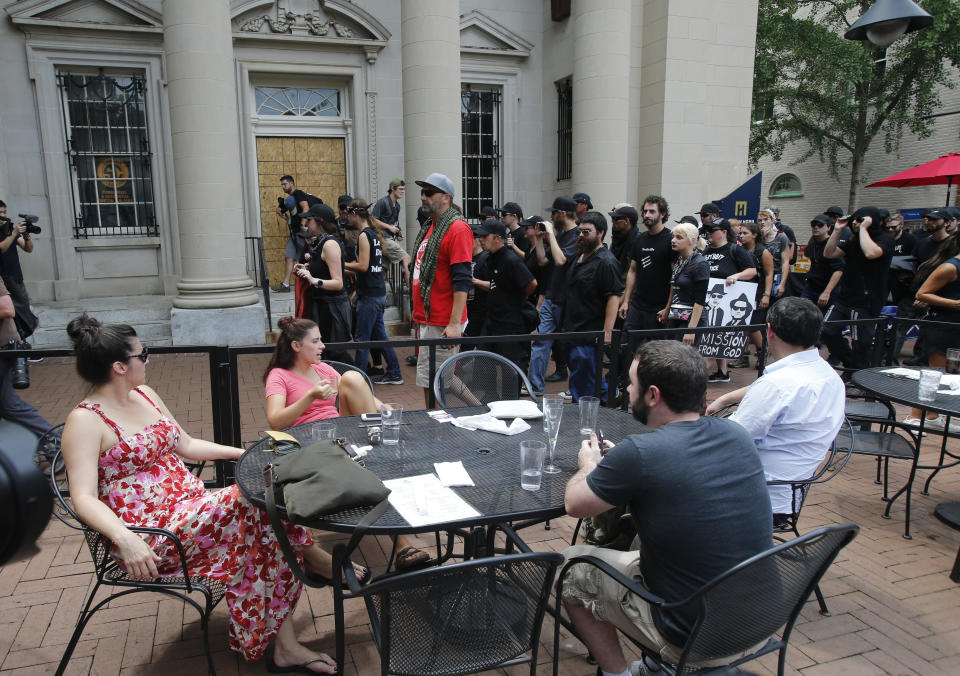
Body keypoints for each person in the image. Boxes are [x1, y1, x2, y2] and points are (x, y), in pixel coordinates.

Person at [61, 313, 367, 673]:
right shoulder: (85, 420)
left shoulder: (144, 394)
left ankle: (286, 642)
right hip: (152, 533)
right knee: (255, 500)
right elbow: (83, 497)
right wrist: (124, 538)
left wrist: (246, 452)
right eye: (142, 355)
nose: (148, 360)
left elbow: (187, 445)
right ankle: (310, 557)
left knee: (265, 525)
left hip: (192, 509)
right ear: (118, 366)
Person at [561, 340, 772, 676]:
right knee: (636, 543)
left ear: (653, 395)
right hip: (761, 621)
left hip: (696, 637)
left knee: (571, 567)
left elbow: (575, 504)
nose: (628, 390)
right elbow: (677, 471)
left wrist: (589, 465)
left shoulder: (642, 453)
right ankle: (654, 665)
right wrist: (624, 466)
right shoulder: (736, 435)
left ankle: (619, 674)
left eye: (632, 383)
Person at [263, 317, 430, 570]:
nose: (322, 346)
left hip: (339, 435)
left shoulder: (323, 370)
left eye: (321, 340)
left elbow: (356, 391)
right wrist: (310, 396)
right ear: (296, 346)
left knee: (351, 377)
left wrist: (384, 409)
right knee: (365, 470)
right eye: (316, 341)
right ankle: (401, 544)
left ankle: (400, 539)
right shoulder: (279, 376)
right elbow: (275, 421)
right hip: (305, 445)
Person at [707, 298, 845, 522]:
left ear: (769, 330)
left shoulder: (778, 385)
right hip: (792, 491)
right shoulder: (828, 375)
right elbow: (782, 390)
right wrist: (725, 399)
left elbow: (728, 440)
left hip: (756, 496)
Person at [410, 173, 474, 406]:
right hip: (429, 318)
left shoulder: (456, 228)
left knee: (435, 381)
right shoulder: (432, 226)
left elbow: (462, 279)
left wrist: (455, 323)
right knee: (433, 378)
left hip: (443, 320)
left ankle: (436, 426)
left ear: (446, 197)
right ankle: (475, 406)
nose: (423, 197)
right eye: (422, 193)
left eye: (429, 193)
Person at [559, 212, 623, 402]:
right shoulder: (580, 256)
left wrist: (607, 331)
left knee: (585, 373)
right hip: (572, 327)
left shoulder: (607, 262)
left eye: (587, 232)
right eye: (580, 231)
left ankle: (599, 404)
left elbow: (613, 296)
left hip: (590, 330)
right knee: (581, 374)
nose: (581, 235)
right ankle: (608, 396)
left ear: (601, 233)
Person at [823, 206, 895, 369]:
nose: (855, 223)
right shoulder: (854, 239)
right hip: (845, 296)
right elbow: (829, 253)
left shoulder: (885, 238)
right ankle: (850, 364)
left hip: (867, 300)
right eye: (854, 220)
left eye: (860, 220)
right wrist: (837, 231)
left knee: (861, 342)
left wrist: (863, 229)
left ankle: (857, 374)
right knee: (826, 331)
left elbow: (871, 253)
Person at [342, 200, 404, 386]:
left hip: (371, 296)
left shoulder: (364, 236)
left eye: (348, 214)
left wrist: (338, 263)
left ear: (354, 214)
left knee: (362, 339)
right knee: (381, 337)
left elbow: (362, 265)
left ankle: (358, 381)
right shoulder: (373, 235)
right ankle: (394, 373)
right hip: (374, 292)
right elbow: (368, 269)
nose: (347, 218)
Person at [903, 233, 960, 430]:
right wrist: (955, 304)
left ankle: (934, 416)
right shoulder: (950, 267)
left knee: (952, 375)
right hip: (942, 326)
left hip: (955, 327)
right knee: (936, 374)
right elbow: (922, 293)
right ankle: (915, 416)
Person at [528, 196, 580, 392]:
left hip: (568, 300)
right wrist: (542, 238)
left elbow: (560, 261)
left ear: (562, 214)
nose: (551, 217)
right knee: (540, 341)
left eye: (553, 213)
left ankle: (574, 387)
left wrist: (551, 233)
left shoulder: (576, 235)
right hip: (552, 297)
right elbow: (543, 261)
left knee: (569, 345)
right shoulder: (561, 235)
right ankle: (535, 385)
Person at [473, 219, 536, 370]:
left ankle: (511, 393)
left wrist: (515, 299)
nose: (480, 239)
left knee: (511, 367)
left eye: (485, 236)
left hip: (510, 323)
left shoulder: (510, 259)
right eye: (479, 236)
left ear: (498, 238)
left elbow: (531, 284)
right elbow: (496, 286)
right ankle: (489, 393)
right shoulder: (490, 258)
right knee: (484, 362)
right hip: (493, 320)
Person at [294, 203, 353, 364]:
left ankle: (356, 380)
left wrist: (313, 280)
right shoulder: (321, 242)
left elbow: (338, 283)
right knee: (324, 353)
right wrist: (305, 268)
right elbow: (322, 269)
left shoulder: (330, 244)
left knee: (334, 354)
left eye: (309, 220)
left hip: (333, 309)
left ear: (319, 221)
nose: (306, 224)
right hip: (322, 307)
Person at [701, 218, 757, 382]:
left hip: (727, 299)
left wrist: (737, 276)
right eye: (708, 231)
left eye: (713, 231)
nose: (709, 234)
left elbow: (752, 270)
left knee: (715, 338)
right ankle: (722, 372)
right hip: (709, 300)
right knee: (713, 336)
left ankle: (696, 377)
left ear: (724, 232)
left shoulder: (735, 250)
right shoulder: (706, 251)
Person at [619, 197, 673, 356]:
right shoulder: (639, 239)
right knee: (627, 345)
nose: (647, 215)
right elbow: (633, 270)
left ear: (662, 214)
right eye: (645, 211)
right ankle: (626, 378)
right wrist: (626, 301)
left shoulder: (670, 239)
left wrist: (668, 307)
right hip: (638, 304)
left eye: (652, 211)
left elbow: (674, 278)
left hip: (659, 307)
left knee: (656, 352)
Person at [0, 278, 52, 439]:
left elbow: (7, 309)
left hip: (4, 349)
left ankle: (56, 447)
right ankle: (56, 447)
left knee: (10, 406)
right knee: (9, 405)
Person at [658, 223, 709, 347]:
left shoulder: (700, 264)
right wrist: (667, 308)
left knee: (684, 359)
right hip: (677, 314)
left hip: (691, 317)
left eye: (679, 237)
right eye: (673, 237)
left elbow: (700, 300)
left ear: (691, 241)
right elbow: (673, 286)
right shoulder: (679, 260)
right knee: (670, 354)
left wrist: (691, 329)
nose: (673, 240)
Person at [737, 219, 774, 366]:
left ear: (754, 235)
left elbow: (769, 273)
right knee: (742, 324)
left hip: (758, 291)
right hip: (744, 291)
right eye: (740, 233)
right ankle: (743, 356)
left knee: (753, 325)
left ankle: (763, 352)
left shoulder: (763, 252)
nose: (741, 236)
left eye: (745, 233)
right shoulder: (740, 250)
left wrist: (766, 294)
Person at [275, 175, 321, 292]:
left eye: (285, 184)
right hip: (294, 233)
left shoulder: (298, 193)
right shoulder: (290, 199)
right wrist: (282, 213)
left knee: (305, 258)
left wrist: (302, 225)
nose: (283, 187)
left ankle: (311, 283)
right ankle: (286, 284)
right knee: (289, 256)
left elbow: (306, 208)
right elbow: (288, 214)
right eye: (282, 185)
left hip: (301, 233)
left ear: (292, 183)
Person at [371, 179, 411, 281]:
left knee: (383, 269)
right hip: (382, 238)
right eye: (400, 189)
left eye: (403, 189)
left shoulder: (397, 206)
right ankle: (411, 289)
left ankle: (374, 289)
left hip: (389, 239)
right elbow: (372, 220)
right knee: (407, 259)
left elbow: (395, 223)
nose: (402, 192)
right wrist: (389, 227)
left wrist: (399, 233)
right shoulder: (383, 202)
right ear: (392, 189)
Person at [758, 208, 793, 300]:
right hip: (762, 276)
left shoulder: (781, 236)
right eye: (760, 220)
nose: (762, 222)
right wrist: (761, 237)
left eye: (766, 219)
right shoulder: (757, 237)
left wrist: (782, 284)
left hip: (777, 275)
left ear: (772, 220)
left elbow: (785, 261)